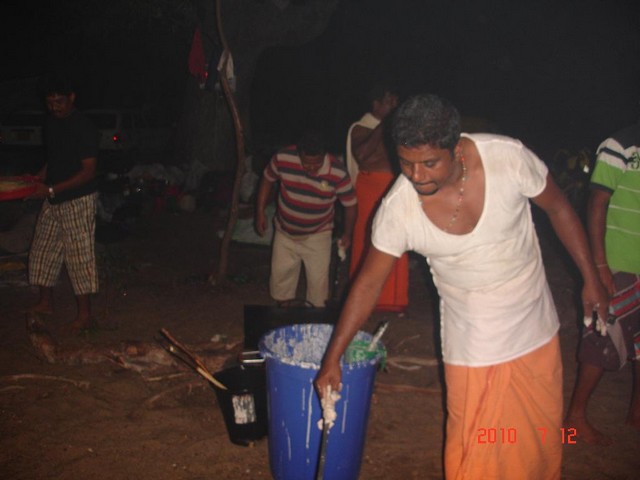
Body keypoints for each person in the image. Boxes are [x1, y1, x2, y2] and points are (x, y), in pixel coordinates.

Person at [315, 94, 608, 479]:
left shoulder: (506, 158)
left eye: (429, 163)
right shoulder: (399, 209)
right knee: (475, 453)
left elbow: (558, 207)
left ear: (456, 149)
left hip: (534, 330)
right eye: (406, 163)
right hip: (472, 346)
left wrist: (591, 278)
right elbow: (368, 284)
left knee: (536, 443)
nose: (417, 176)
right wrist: (333, 356)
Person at [564, 123, 640, 444]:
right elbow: (597, 203)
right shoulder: (622, 144)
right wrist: (599, 266)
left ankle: (637, 412)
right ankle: (575, 417)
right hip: (618, 261)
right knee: (601, 338)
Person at [27, 74, 100, 332]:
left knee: (79, 257)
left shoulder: (83, 126)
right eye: (50, 102)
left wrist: (49, 189)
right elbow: (55, 158)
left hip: (78, 199)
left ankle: (85, 315)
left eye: (59, 101)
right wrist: (37, 178)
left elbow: (88, 171)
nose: (54, 106)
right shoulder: (51, 123)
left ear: (72, 98)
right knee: (43, 250)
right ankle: (45, 303)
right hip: (54, 197)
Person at [255, 130, 357, 307]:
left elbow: (351, 205)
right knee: (281, 282)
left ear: (324, 155)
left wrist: (347, 234)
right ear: (298, 153)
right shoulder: (283, 158)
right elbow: (267, 179)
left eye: (316, 164)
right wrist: (259, 212)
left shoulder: (338, 172)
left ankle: (313, 319)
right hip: (284, 232)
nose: (311, 168)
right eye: (306, 163)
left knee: (318, 290)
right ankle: (284, 315)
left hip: (318, 234)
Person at [346, 83, 409, 312]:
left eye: (396, 102)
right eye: (389, 102)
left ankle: (393, 301)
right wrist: (385, 124)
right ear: (376, 104)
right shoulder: (360, 127)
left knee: (396, 240)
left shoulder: (397, 130)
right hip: (369, 189)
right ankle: (365, 298)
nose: (394, 106)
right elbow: (362, 156)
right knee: (368, 241)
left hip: (394, 187)